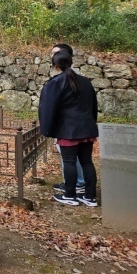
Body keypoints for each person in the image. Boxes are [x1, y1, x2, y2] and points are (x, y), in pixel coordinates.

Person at [39, 50, 99, 207]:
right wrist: (92, 122)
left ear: (54, 65)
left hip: (69, 129)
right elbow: (93, 106)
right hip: (87, 127)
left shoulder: (56, 83)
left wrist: (47, 129)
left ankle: (70, 195)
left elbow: (48, 108)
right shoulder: (85, 81)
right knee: (87, 161)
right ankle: (90, 196)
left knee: (69, 161)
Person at [49, 43, 85, 195]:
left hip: (69, 126)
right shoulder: (69, 77)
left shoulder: (69, 78)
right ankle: (74, 182)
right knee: (72, 157)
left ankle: (76, 183)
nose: (52, 56)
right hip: (72, 124)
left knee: (70, 157)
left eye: (55, 53)